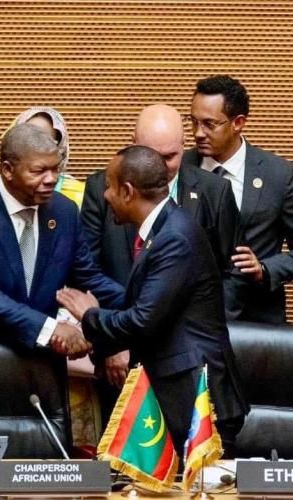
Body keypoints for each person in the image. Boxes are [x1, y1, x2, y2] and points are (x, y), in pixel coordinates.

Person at [58, 145, 249, 458]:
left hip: (197, 402)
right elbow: (148, 305)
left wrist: (90, 315)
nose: (105, 195)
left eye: (109, 186)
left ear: (128, 191)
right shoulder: (162, 229)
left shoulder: (174, 237)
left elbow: (142, 320)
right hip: (175, 395)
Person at [81, 104, 239, 415]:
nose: (158, 167)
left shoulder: (176, 233)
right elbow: (90, 268)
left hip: (190, 392)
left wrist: (91, 317)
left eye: (168, 157)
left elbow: (148, 315)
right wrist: (115, 344)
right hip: (150, 369)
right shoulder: (162, 221)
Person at [0, 123, 124, 358]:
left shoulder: (64, 211)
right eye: (39, 171)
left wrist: (141, 305)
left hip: (43, 361)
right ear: (8, 170)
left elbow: (88, 277)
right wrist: (49, 329)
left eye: (55, 169)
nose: (51, 179)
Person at [188, 75, 293, 324]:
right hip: (190, 320)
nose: (198, 133)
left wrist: (264, 269)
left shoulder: (277, 175)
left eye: (209, 124)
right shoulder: (180, 168)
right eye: (193, 122)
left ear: (238, 123)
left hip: (256, 320)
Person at [4, 106, 85, 208]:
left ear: (60, 148)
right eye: (28, 140)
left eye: (46, 142)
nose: (36, 148)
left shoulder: (79, 198)